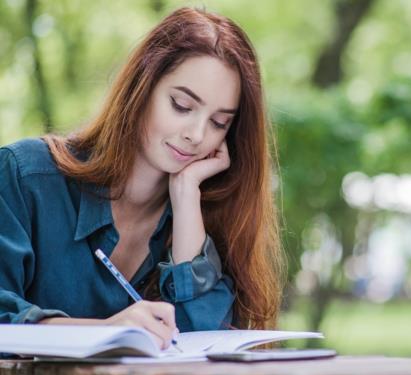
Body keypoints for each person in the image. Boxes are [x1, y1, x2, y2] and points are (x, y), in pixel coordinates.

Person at [0, 7, 283, 350]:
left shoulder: (207, 213)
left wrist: (186, 200)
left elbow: (202, 348)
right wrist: (104, 331)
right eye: (181, 105)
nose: (196, 134)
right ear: (142, 89)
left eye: (219, 123)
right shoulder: (26, 176)